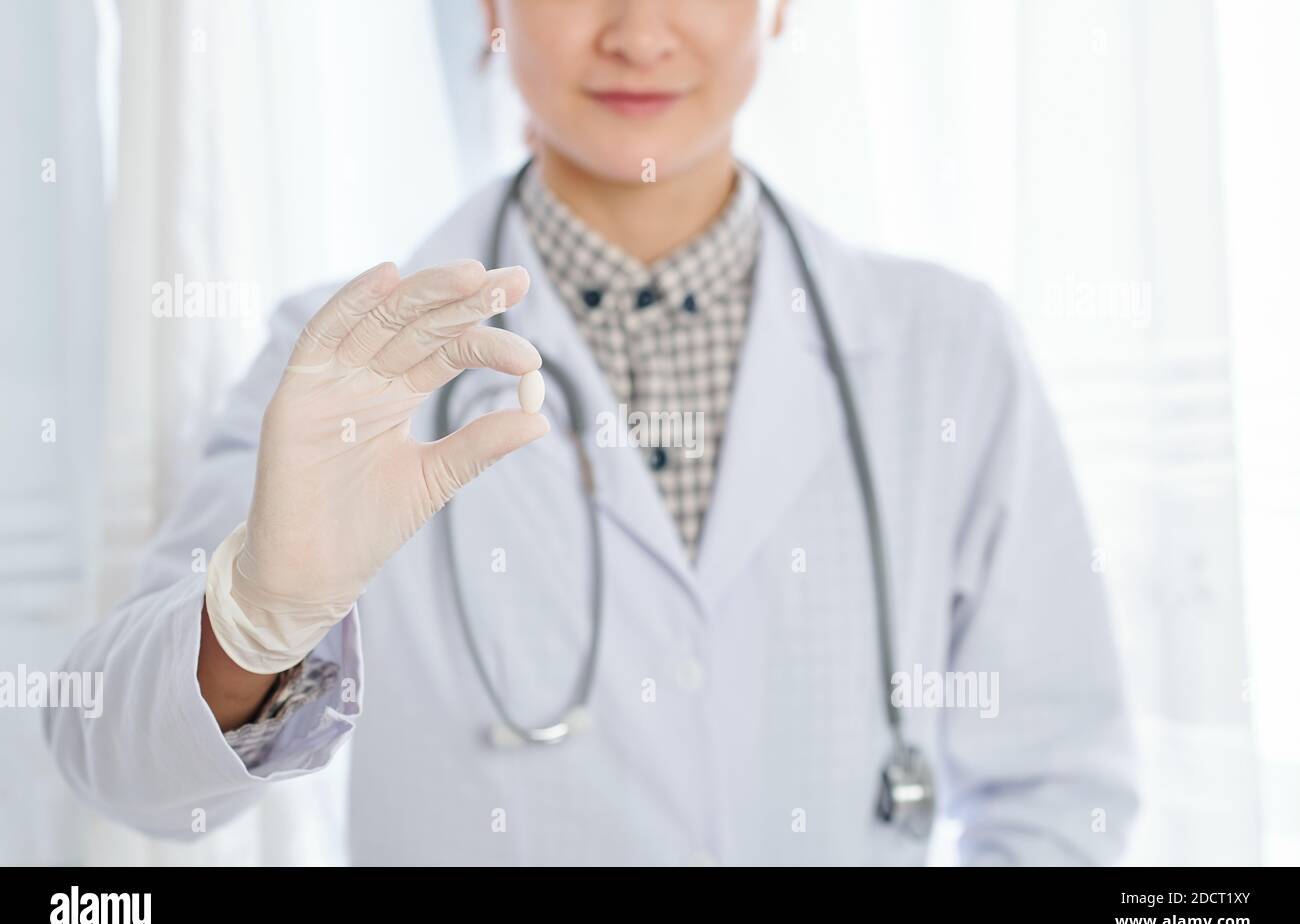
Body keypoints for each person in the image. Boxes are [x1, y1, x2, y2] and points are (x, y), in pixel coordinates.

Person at [47, 0, 1137, 865]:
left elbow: (1061, 789)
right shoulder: (344, 363)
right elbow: (123, 773)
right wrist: (257, 619)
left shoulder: (945, 346)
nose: (638, 29)